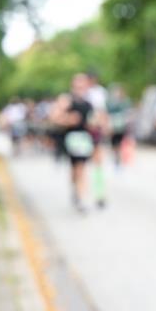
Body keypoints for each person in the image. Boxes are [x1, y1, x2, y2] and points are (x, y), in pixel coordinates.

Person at [50, 73, 102, 214]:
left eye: (83, 85)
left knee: (81, 168)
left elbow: (93, 121)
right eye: (78, 85)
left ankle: (80, 198)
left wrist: (95, 124)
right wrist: (68, 119)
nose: (80, 88)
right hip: (69, 138)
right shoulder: (66, 100)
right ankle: (76, 191)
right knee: (75, 169)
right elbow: (54, 117)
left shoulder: (89, 103)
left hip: (84, 139)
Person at [84, 72, 110, 208]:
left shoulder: (99, 92)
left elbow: (102, 112)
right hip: (81, 132)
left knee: (97, 163)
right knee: (80, 165)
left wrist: (104, 126)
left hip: (94, 131)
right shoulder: (81, 92)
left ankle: (99, 194)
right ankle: (81, 193)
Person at [106, 84, 133, 168]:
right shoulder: (111, 103)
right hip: (114, 127)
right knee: (114, 144)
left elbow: (129, 114)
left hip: (123, 127)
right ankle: (116, 158)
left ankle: (121, 158)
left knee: (122, 143)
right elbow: (108, 114)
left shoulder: (126, 102)